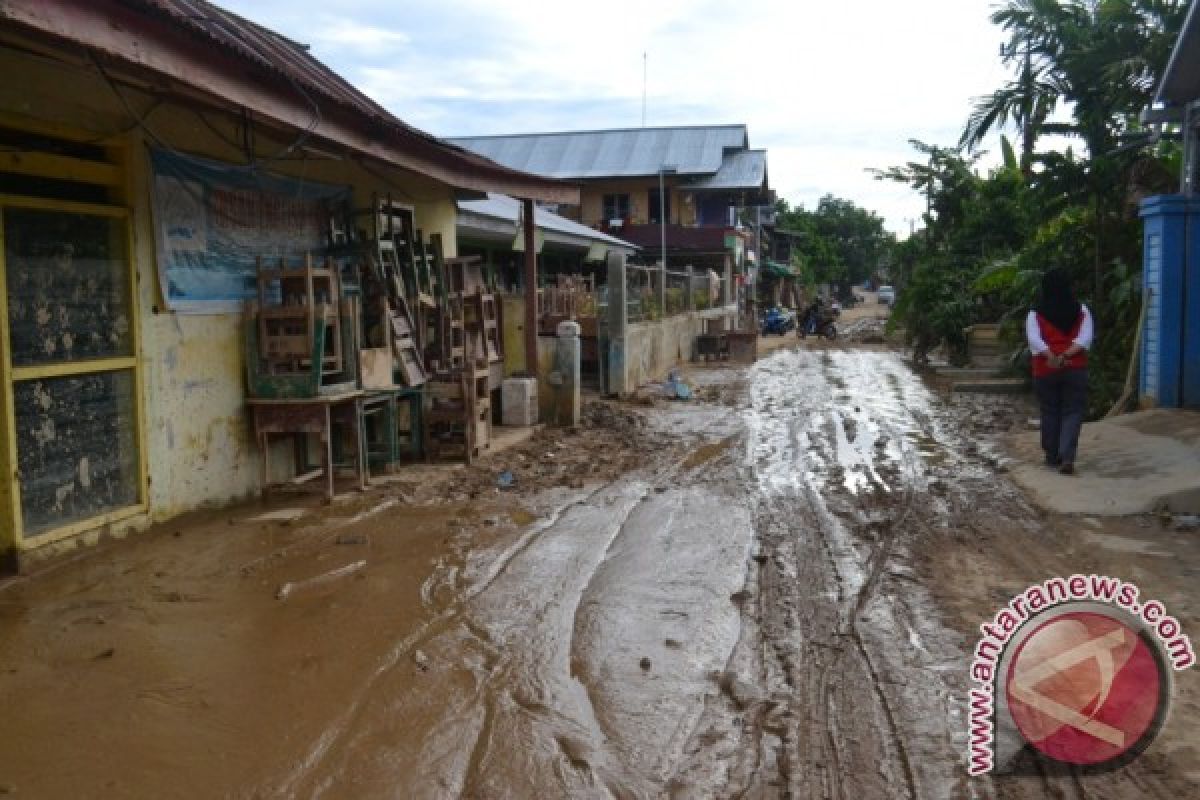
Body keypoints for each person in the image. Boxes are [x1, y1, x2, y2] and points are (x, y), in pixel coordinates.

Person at [1026, 269, 1093, 475]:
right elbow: (1085, 338)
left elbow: (1034, 339)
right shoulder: (1082, 310)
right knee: (1072, 411)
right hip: (1075, 368)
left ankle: (1051, 455)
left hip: (1045, 369)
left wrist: (1052, 357)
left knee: (1050, 410)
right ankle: (1067, 456)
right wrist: (1066, 356)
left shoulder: (1035, 313)